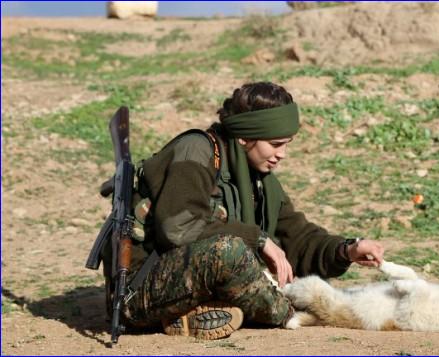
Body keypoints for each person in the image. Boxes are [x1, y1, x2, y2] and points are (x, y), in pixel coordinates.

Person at [119, 81, 385, 340]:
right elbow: (179, 227)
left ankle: (196, 315)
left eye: (286, 144)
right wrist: (258, 239)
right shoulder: (196, 150)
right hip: (139, 294)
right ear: (245, 137)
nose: (282, 154)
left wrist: (347, 249)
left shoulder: (258, 179)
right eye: (275, 144)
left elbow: (297, 238)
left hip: (190, 286)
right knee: (230, 251)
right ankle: (287, 311)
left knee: (249, 258)